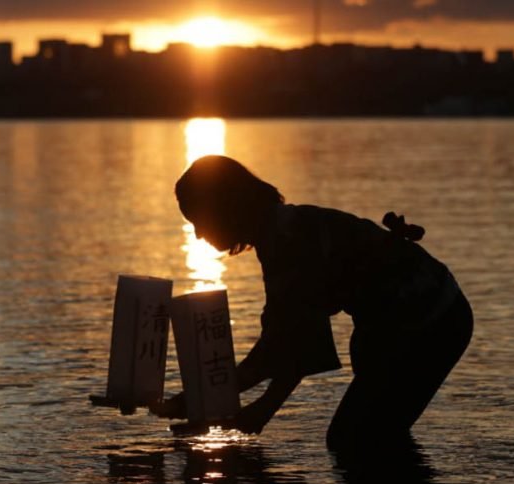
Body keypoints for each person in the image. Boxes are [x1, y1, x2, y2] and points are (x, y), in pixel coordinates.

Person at [152, 155, 473, 451]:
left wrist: (257, 407)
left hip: (431, 323)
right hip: (416, 319)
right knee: (369, 435)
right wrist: (200, 401)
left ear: (224, 209)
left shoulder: (289, 242)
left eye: (197, 220)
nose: (196, 235)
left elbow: (293, 341)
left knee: (352, 439)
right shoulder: (282, 231)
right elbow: (284, 341)